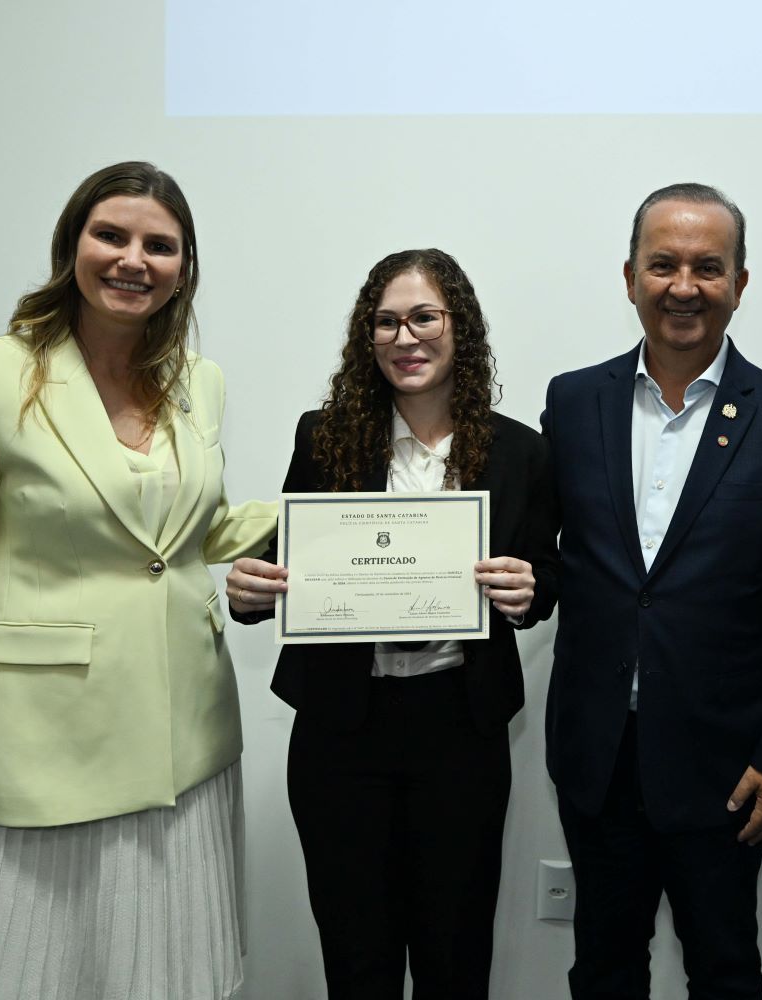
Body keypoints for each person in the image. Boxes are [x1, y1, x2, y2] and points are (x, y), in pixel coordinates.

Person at [0, 161, 276, 1000]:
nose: (133, 259)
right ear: (72, 244)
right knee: (26, 972)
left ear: (184, 267)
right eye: (112, 235)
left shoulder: (197, 384)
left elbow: (185, 533)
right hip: (44, 745)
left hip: (190, 738)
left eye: (161, 245)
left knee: (170, 974)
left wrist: (326, 520)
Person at [224, 248, 560, 1000]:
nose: (404, 337)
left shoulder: (520, 452)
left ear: (459, 328)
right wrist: (248, 588)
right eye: (385, 321)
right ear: (366, 337)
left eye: (424, 317)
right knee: (357, 959)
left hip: (460, 730)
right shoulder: (325, 436)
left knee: (455, 955)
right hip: (344, 731)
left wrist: (528, 587)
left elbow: (546, 576)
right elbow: (284, 565)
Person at [540, 183, 762, 998]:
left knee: (724, 966)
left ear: (740, 283)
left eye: (708, 267)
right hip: (596, 754)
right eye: (663, 264)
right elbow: (543, 561)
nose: (684, 286)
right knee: (602, 964)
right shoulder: (572, 403)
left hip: (727, 766)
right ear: (630, 276)